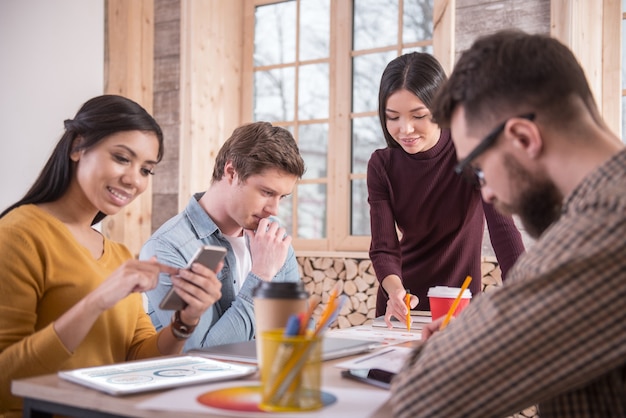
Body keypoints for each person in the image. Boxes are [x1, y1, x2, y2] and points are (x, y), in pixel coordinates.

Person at [373, 30, 626, 417]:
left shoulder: (598, 238)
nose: (486, 193)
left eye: (478, 166)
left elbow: (420, 403)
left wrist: (459, 348)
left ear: (523, 138)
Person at [0, 95, 222, 418]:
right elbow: (6, 380)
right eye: (121, 158)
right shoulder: (19, 234)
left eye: (147, 169)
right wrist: (97, 300)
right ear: (78, 147)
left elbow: (138, 360)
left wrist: (185, 321)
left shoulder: (118, 255)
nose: (134, 179)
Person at [367, 52, 525, 326]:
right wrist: (394, 292)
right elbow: (384, 248)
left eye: (418, 116)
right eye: (393, 117)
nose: (405, 129)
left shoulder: (472, 150)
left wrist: (525, 296)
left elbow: (503, 230)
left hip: (458, 303)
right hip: (402, 304)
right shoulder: (382, 165)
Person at [140, 121, 306, 350]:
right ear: (231, 172)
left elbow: (295, 331)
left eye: (282, 197)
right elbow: (201, 354)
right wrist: (262, 276)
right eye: (267, 192)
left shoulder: (272, 238)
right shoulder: (168, 247)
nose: (274, 210)